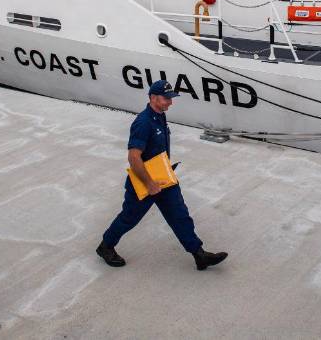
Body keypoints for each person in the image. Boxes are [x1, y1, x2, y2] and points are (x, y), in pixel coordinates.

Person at [97, 80, 228, 271]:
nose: (170, 103)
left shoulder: (160, 116)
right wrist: (149, 183)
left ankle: (199, 254)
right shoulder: (143, 122)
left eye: (171, 98)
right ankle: (105, 246)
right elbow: (134, 157)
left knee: (180, 215)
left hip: (164, 178)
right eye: (166, 99)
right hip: (144, 182)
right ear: (153, 98)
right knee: (129, 218)